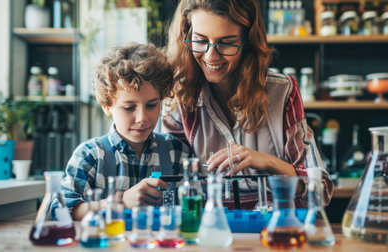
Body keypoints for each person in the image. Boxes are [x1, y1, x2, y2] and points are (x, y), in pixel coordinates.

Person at [162, 0, 333, 208]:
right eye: (200, 40)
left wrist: (267, 162)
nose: (210, 56)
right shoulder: (177, 98)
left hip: (276, 232)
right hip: (212, 232)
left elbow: (321, 190)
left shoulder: (282, 91)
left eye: (226, 42)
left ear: (248, 42)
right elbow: (170, 190)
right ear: (186, 36)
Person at [52, 42, 191, 220]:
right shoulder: (90, 155)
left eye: (152, 105)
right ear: (107, 106)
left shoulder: (177, 152)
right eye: (129, 107)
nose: (142, 117)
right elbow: (59, 212)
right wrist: (120, 202)